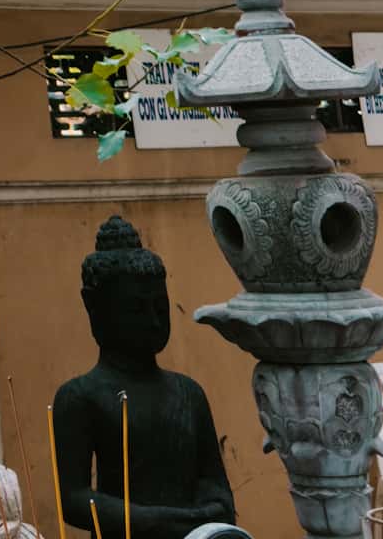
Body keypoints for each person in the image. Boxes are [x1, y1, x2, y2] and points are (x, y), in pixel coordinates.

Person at [52, 218, 241, 539]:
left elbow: (216, 487)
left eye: (160, 306)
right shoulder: (80, 396)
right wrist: (150, 520)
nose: (154, 320)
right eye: (136, 309)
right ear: (96, 309)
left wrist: (207, 511)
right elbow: (72, 499)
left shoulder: (188, 393)